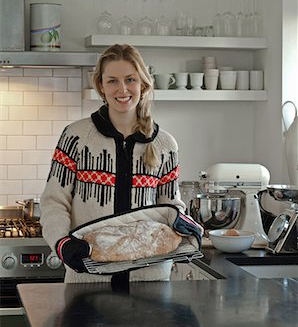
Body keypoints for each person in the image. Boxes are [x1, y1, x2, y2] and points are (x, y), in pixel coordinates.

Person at [40, 44, 202, 284]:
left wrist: (181, 220)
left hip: (149, 281)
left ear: (143, 84)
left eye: (130, 79)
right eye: (112, 81)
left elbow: (169, 204)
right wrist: (62, 242)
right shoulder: (76, 137)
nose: (122, 89)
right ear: (101, 86)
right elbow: (54, 201)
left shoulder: (165, 145)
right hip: (88, 279)